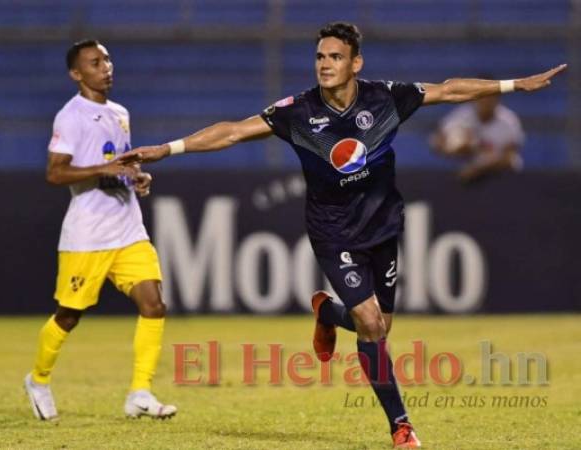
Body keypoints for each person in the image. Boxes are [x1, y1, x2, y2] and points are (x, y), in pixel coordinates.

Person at [120, 23, 565, 448]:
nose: (325, 63)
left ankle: (327, 313)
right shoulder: (298, 112)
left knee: (381, 325)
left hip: (383, 225)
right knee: (372, 326)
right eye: (319, 56)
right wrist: (168, 148)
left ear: (356, 63)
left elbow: (448, 88)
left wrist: (513, 85)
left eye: (335, 56)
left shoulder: (386, 98)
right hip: (334, 233)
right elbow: (233, 132)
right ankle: (401, 426)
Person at [24, 39, 176, 421]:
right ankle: (38, 379)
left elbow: (117, 164)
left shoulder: (120, 113)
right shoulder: (70, 116)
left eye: (107, 59)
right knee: (69, 315)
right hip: (87, 235)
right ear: (77, 74)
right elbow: (55, 173)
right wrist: (101, 170)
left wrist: (135, 177)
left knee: (154, 304)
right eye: (94, 62)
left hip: (127, 229)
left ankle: (139, 392)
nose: (105, 67)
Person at [430, 92, 525, 183]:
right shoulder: (462, 115)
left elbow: (509, 157)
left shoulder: (509, 120)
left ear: (497, 99)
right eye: (483, 97)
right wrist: (454, 150)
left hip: (496, 176)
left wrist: (478, 169)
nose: (486, 102)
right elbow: (438, 141)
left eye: (491, 97)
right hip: (460, 173)